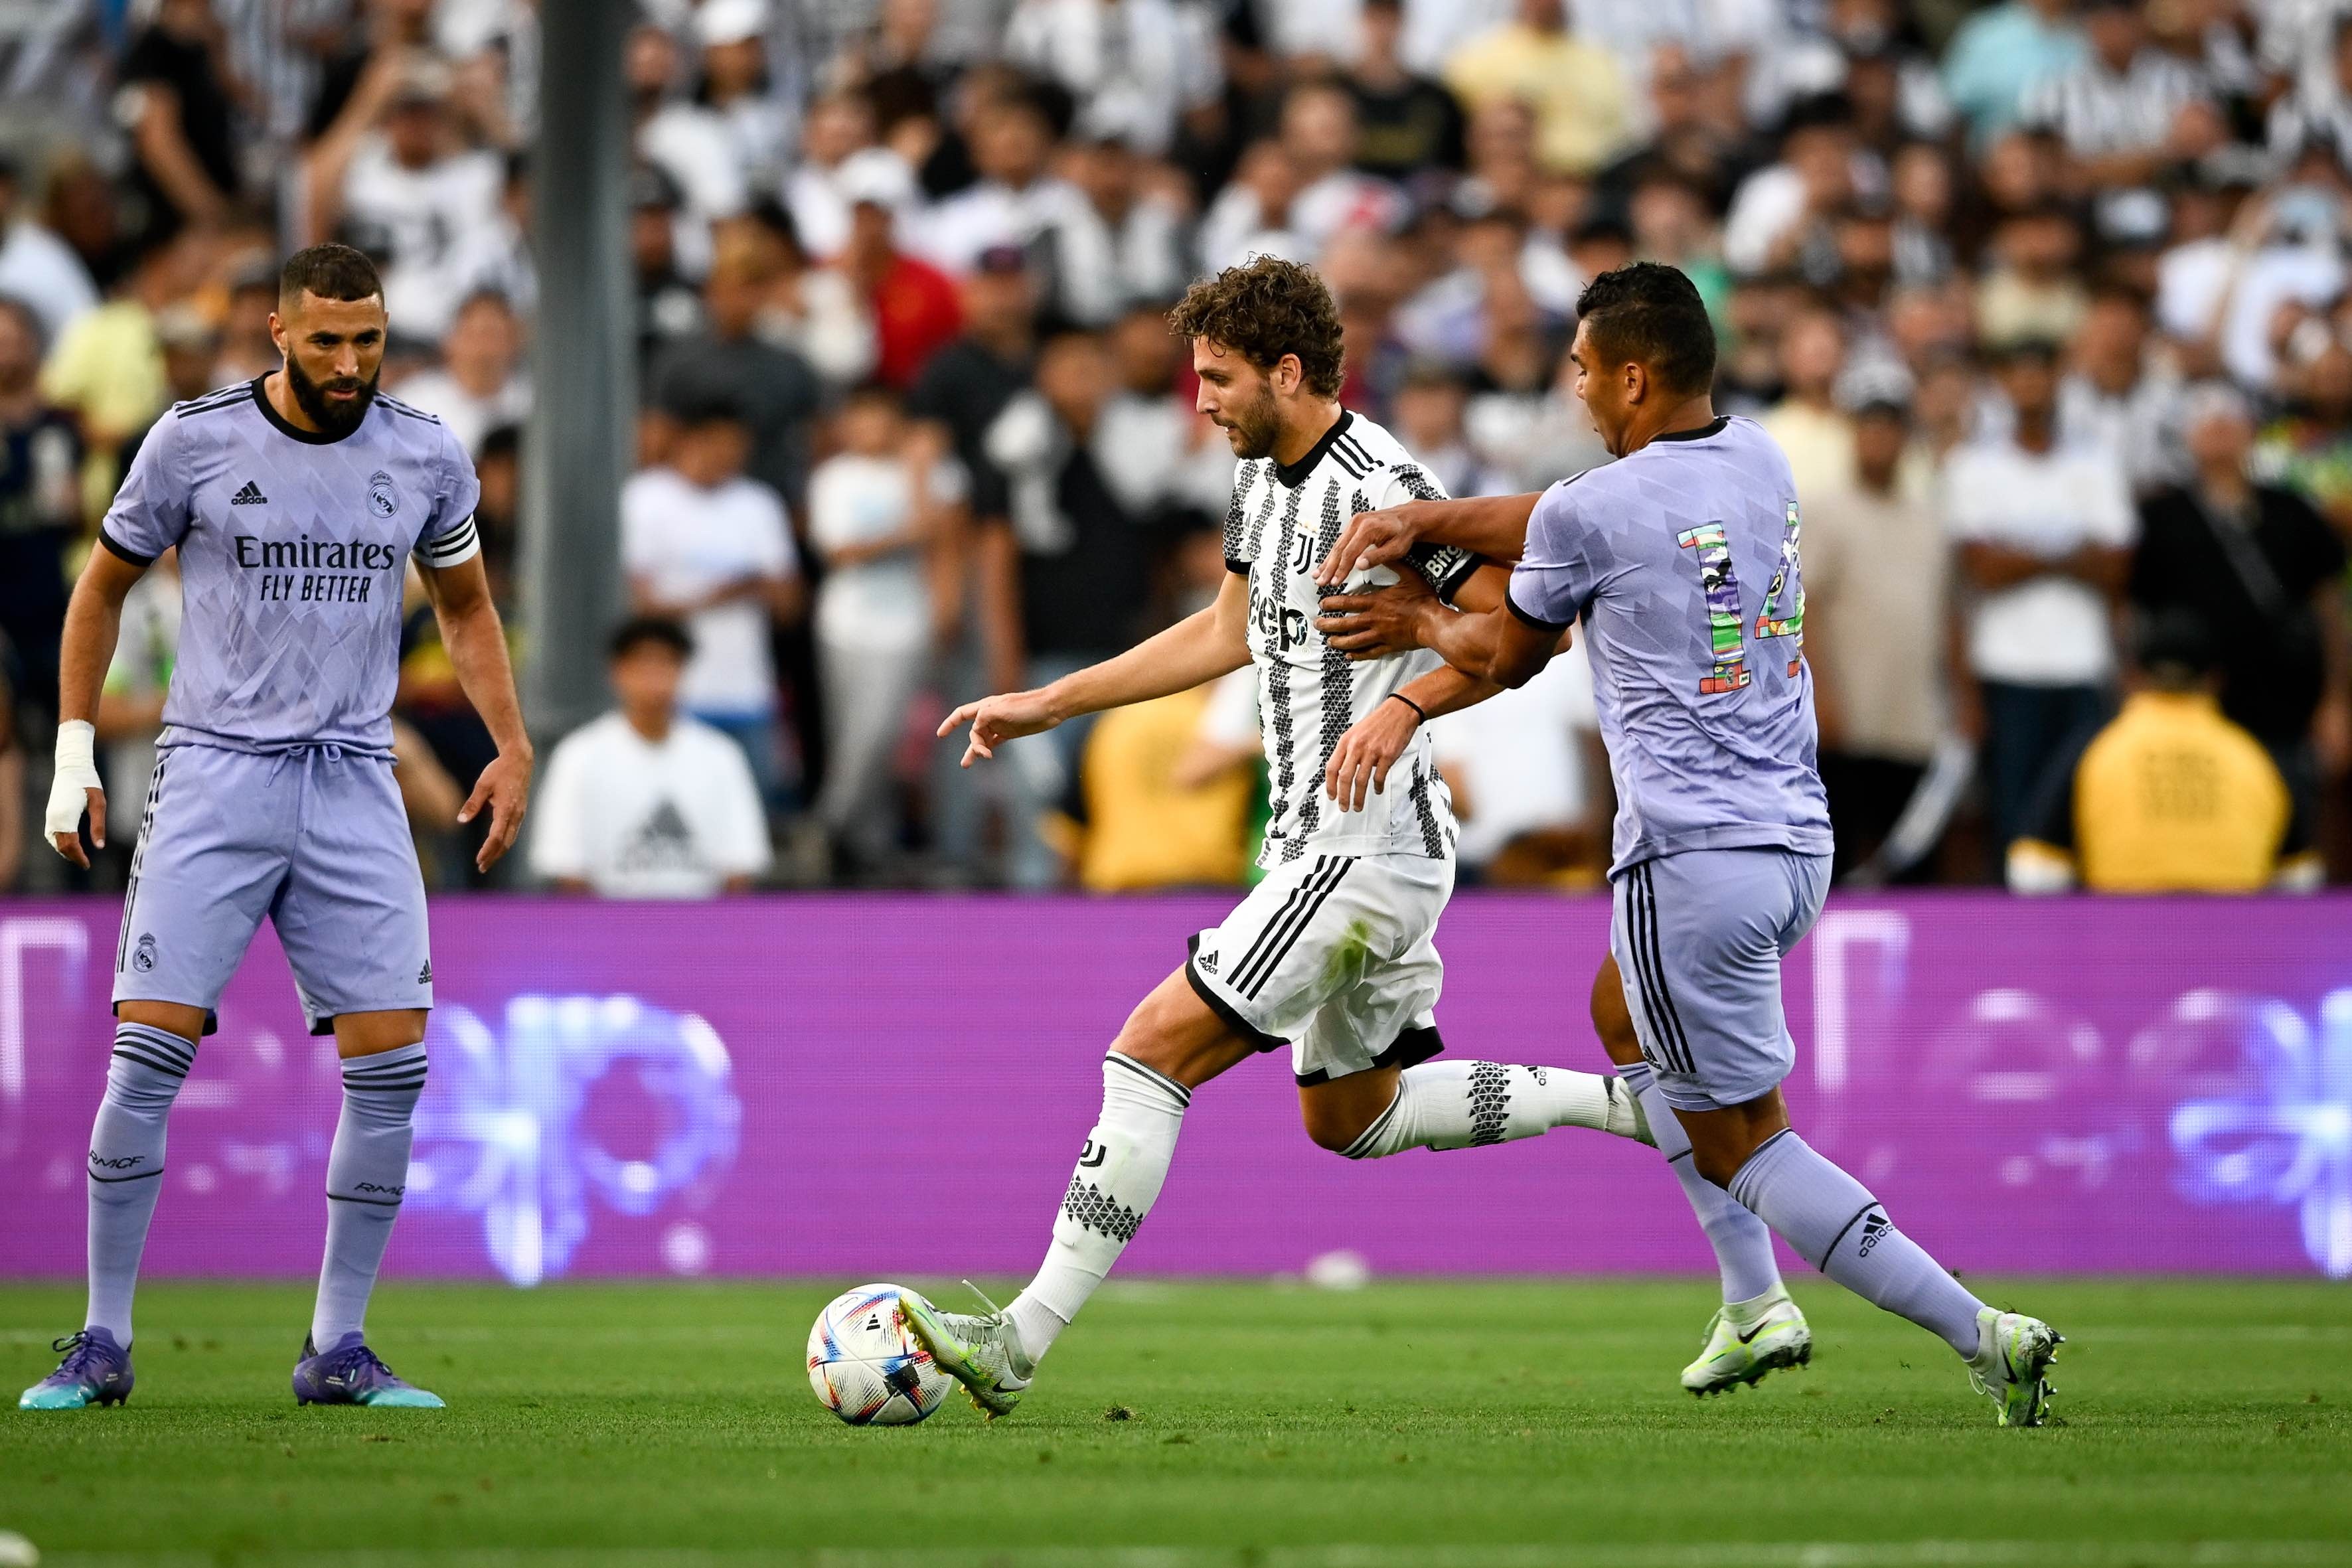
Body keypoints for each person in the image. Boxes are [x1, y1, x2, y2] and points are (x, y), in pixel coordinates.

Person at [1308, 262, 2062, 1423]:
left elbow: (1506, 653)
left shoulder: (1592, 511)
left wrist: (1414, 616)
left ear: (1631, 377)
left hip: (1687, 859)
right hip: (1791, 840)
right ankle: (1751, 1299)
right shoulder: (1759, 457)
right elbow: (1565, 516)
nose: (1572, 390)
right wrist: (1431, 518)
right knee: (1620, 1014)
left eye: (1580, 370)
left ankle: (1980, 1333)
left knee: (1743, 1147)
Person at [907, 258, 1652, 1418]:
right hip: (1355, 849)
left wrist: (1418, 636)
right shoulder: (1258, 479)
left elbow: (1527, 628)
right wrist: (1049, 701)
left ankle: (1019, 1339)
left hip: (1355, 847)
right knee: (1352, 1117)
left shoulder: (1382, 486)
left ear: (1286, 372)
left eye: (1217, 377)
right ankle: (1625, 1105)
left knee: (1149, 1050)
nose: (1199, 399)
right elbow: (1223, 631)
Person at [22, 244, 532, 1412]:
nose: (350, 363)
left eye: (369, 340)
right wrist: (73, 750)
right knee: (149, 1053)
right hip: (216, 771)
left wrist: (509, 743)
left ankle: (337, 1347)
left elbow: (464, 606)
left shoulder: (425, 453)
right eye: (328, 340)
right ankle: (101, 1338)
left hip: (354, 775)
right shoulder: (192, 441)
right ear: (279, 332)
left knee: (392, 1066)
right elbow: (100, 588)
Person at [2130, 384, 2350, 837]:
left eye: (2229, 422)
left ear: (2250, 432)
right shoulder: (2160, 516)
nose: (2219, 432)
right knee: (2200, 833)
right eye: (2206, 423)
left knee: (2288, 826)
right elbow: (2135, 612)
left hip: (2285, 706)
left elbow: (2328, 609)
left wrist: (2336, 701)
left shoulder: (2291, 509)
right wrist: (2134, 687)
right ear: (2187, 437)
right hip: (2189, 706)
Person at [1946, 338, 2136, 857]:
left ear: (2059, 381)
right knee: (2014, 817)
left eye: (2040, 372)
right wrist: (2071, 554)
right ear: (2002, 385)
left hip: (2083, 667)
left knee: (2081, 819)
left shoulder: (2096, 463)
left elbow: (2116, 568)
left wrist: (2020, 553)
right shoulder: (1973, 466)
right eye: (2018, 372)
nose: (2030, 384)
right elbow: (1983, 571)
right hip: (2006, 668)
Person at [2009, 613, 2319, 894]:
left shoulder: (2096, 749)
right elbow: (2302, 878)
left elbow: (2034, 872)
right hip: (2236, 931)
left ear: (2133, 676)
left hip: (2123, 929)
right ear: (2215, 681)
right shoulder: (2255, 756)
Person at [1800, 378, 1955, 880]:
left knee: (1914, 868)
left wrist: (1962, 699)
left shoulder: (1928, 521)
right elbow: (1804, 609)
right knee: (1837, 863)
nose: (1879, 439)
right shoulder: (1825, 512)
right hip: (1847, 722)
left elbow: (1947, 614)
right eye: (1869, 428)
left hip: (1915, 722)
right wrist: (1821, 696)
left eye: (1889, 429)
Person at [805, 383, 961, 872]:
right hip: (845, 625)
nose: (871, 428)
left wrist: (918, 473)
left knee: (881, 735)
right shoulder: (834, 477)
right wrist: (904, 534)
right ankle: (863, 847)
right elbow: (839, 551)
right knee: (851, 738)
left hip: (906, 626)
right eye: (861, 416)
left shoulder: (931, 472)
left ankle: (827, 826)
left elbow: (942, 536)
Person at [621, 390, 802, 805]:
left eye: (737, 447)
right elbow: (639, 605)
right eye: (718, 444)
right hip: (676, 696)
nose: (729, 456)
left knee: (752, 811)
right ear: (688, 440)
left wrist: (752, 589)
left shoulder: (758, 504)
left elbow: (789, 605)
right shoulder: (645, 500)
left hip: (748, 691)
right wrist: (724, 593)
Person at [529, 617, 771, 898]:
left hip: (701, 921)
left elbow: (739, 868)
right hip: (606, 922)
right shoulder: (578, 755)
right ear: (617, 670)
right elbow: (567, 868)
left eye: (666, 664)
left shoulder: (722, 756)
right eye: (643, 665)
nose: (655, 680)